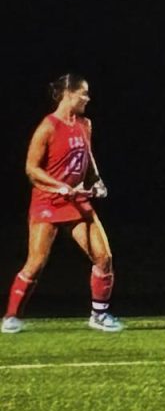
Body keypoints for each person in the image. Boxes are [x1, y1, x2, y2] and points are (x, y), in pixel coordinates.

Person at [3, 74, 123, 334]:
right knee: (35, 263)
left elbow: (87, 159)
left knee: (104, 258)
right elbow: (31, 169)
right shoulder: (48, 127)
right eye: (83, 93)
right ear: (68, 94)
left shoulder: (84, 124)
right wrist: (59, 186)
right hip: (48, 202)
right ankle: (11, 316)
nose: (87, 98)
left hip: (77, 202)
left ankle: (99, 316)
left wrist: (98, 181)